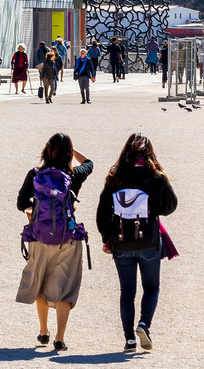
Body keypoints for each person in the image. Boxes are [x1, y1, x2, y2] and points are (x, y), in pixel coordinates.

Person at [95, 133, 179, 351]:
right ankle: (144, 324)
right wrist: (153, 209)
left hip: (121, 242)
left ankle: (129, 339)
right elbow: (171, 205)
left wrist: (106, 238)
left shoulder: (115, 177)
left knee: (127, 292)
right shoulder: (156, 177)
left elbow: (102, 212)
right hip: (149, 240)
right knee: (151, 287)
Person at [15, 133, 93, 352]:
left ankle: (43, 331)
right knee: (65, 287)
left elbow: (21, 203)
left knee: (40, 281)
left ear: (46, 150)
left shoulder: (35, 174)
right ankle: (59, 338)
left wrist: (39, 206)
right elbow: (89, 163)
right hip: (66, 238)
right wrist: (72, 151)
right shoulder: (73, 175)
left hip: (39, 237)